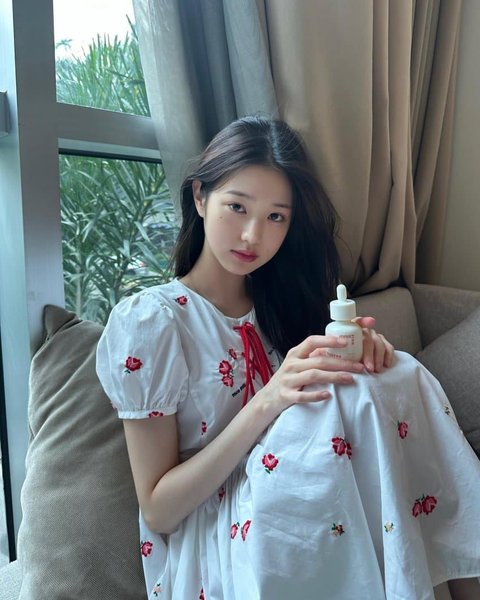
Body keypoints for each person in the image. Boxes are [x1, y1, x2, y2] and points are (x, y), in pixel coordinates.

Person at [96, 117, 480, 600]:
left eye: (276, 217)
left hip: (299, 497)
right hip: (219, 535)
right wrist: (270, 399)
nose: (252, 235)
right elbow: (158, 509)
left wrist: (364, 355)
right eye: (237, 207)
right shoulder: (153, 322)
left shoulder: (281, 305)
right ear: (200, 197)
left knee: (396, 371)